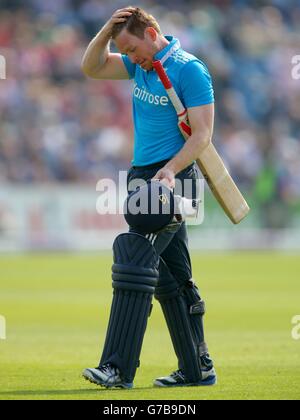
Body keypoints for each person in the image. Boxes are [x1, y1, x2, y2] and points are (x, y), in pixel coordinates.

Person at [81, 6, 217, 388]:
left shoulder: (190, 69)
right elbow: (91, 67)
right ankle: (197, 367)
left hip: (175, 178)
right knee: (172, 278)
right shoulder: (139, 66)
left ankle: (117, 368)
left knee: (135, 260)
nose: (131, 58)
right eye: (124, 52)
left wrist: (171, 171)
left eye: (132, 49)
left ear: (152, 32)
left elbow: (202, 135)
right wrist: (107, 30)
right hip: (144, 175)